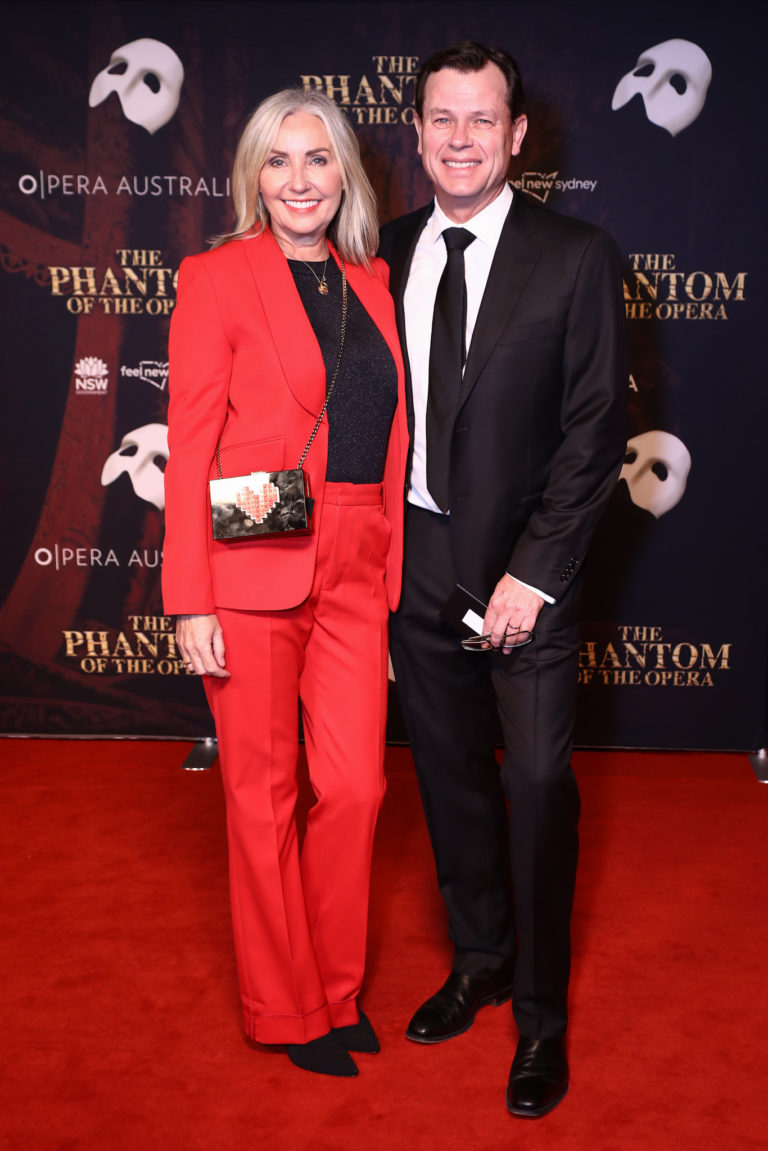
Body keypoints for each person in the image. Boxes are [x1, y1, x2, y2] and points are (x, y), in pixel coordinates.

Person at [379, 41, 626, 1118]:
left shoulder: (576, 256)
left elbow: (595, 429)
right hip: (414, 561)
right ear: (417, 131)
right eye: (443, 117)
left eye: (484, 118)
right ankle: (479, 960)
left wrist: (535, 572)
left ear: (517, 135)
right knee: (448, 777)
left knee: (533, 783)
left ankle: (541, 1016)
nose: (462, 138)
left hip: (528, 571)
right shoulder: (381, 251)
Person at [162, 88, 407, 1079]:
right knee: (261, 795)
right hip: (251, 556)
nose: (299, 180)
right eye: (278, 160)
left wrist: (384, 570)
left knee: (356, 785)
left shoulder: (373, 281)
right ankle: (283, 1004)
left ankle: (335, 989)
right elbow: (188, 445)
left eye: (317, 159)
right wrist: (190, 596)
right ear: (253, 177)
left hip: (356, 557)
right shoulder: (216, 278)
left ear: (345, 173)